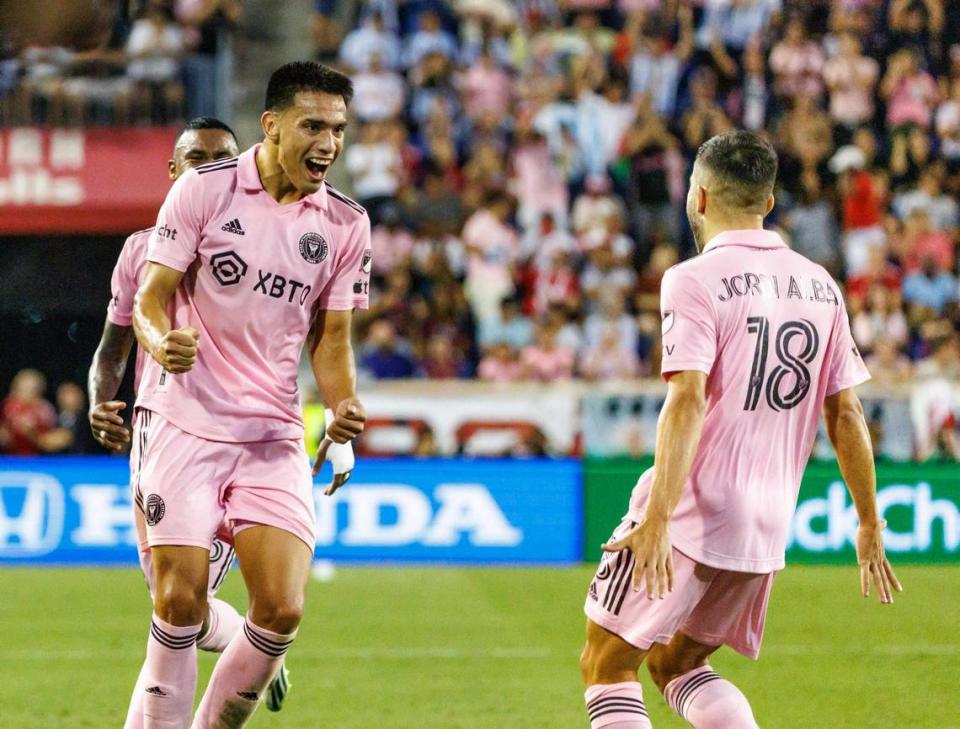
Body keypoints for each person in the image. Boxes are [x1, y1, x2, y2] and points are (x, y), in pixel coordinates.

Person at [579, 131, 901, 729]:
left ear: (698, 198)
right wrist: (867, 522)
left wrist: (656, 518)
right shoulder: (821, 286)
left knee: (607, 666)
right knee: (677, 665)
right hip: (766, 520)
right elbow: (846, 414)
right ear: (770, 203)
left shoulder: (693, 279)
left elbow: (687, 401)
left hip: (693, 511)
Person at [126, 62, 370, 729]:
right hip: (187, 425)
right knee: (179, 600)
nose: (328, 143)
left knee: (284, 607)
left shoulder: (346, 223)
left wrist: (342, 402)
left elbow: (332, 338)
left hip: (271, 434)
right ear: (272, 125)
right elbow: (149, 298)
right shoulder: (204, 191)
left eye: (338, 129)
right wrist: (157, 339)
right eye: (312, 125)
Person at [87, 118, 295, 722]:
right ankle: (247, 643)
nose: (210, 169)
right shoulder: (140, 249)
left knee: (180, 604)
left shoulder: (270, 246)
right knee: (172, 600)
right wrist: (103, 401)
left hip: (238, 440)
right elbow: (112, 348)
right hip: (158, 437)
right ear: (173, 173)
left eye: (223, 159)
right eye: (196, 159)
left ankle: (251, 644)